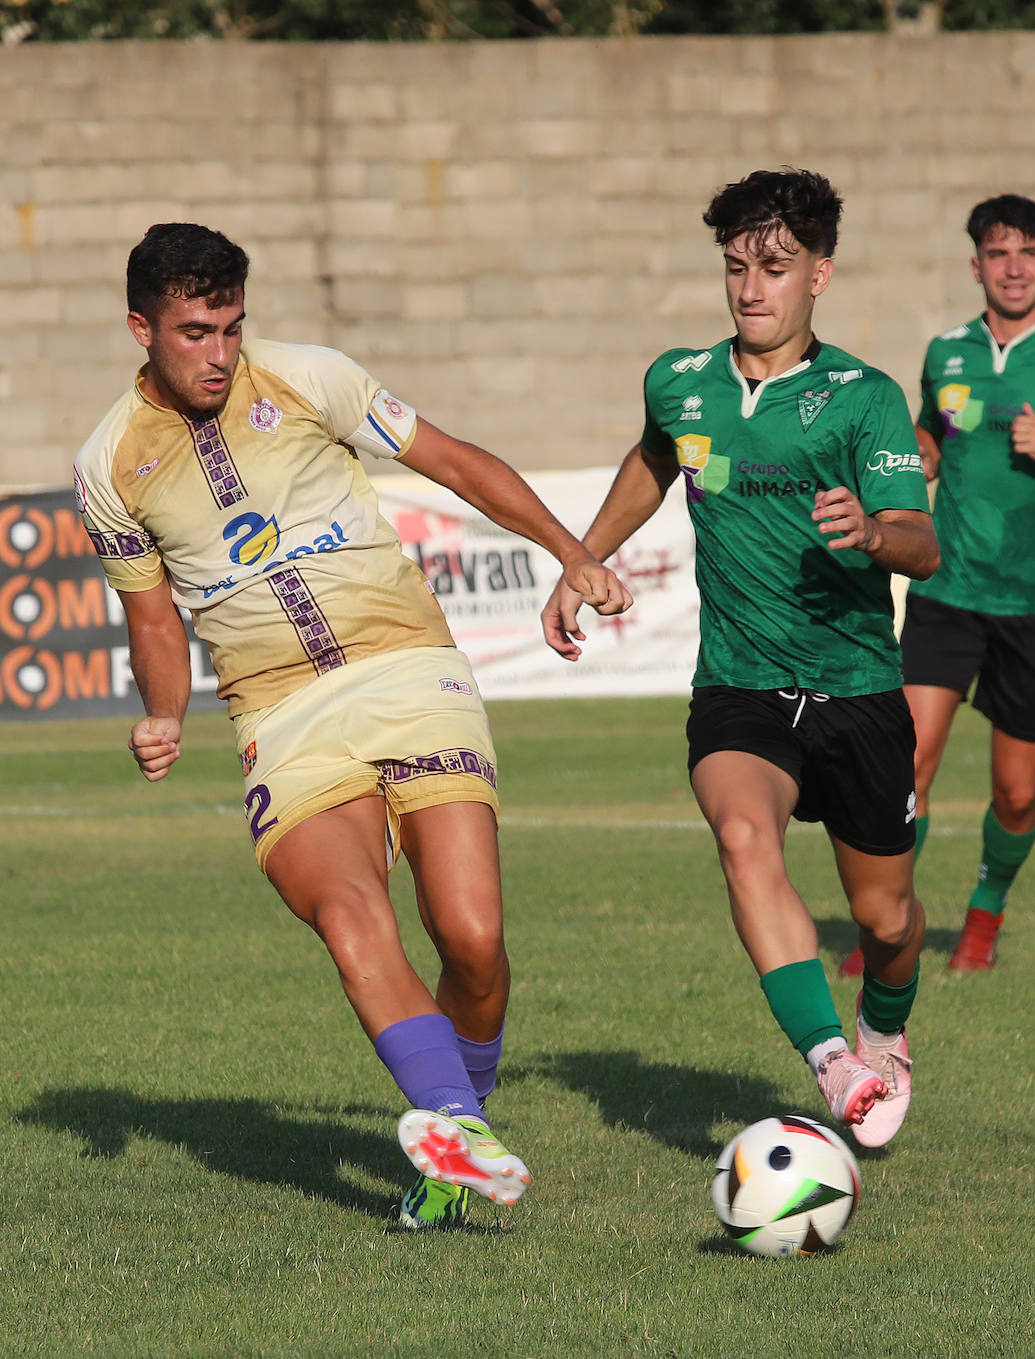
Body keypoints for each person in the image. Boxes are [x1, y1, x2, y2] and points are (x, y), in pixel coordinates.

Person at [74, 223, 632, 1228]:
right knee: (346, 914)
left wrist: (569, 551)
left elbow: (456, 461)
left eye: (233, 328)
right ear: (140, 329)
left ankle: (458, 1129)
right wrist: (162, 712)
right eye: (196, 332)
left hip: (407, 668)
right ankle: (457, 1133)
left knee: (472, 939)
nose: (220, 354)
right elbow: (151, 618)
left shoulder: (312, 377)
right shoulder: (108, 465)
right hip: (280, 717)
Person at [541, 169, 940, 1149]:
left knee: (887, 922)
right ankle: (830, 1062)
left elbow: (922, 544)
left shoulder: (864, 399)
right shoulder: (680, 380)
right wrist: (583, 557)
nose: (751, 288)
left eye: (775, 267)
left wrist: (873, 533)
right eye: (736, 268)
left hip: (858, 690)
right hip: (740, 687)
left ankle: (883, 1035)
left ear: (820, 276)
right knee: (741, 839)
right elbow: (654, 458)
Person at [843, 193, 1035, 976]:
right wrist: (915, 458)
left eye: (1027, 253)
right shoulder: (946, 353)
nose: (1012, 267)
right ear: (975, 264)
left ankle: (984, 914)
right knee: (905, 765)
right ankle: (890, 924)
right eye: (997, 253)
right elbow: (934, 436)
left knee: (1015, 793)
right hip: (949, 590)